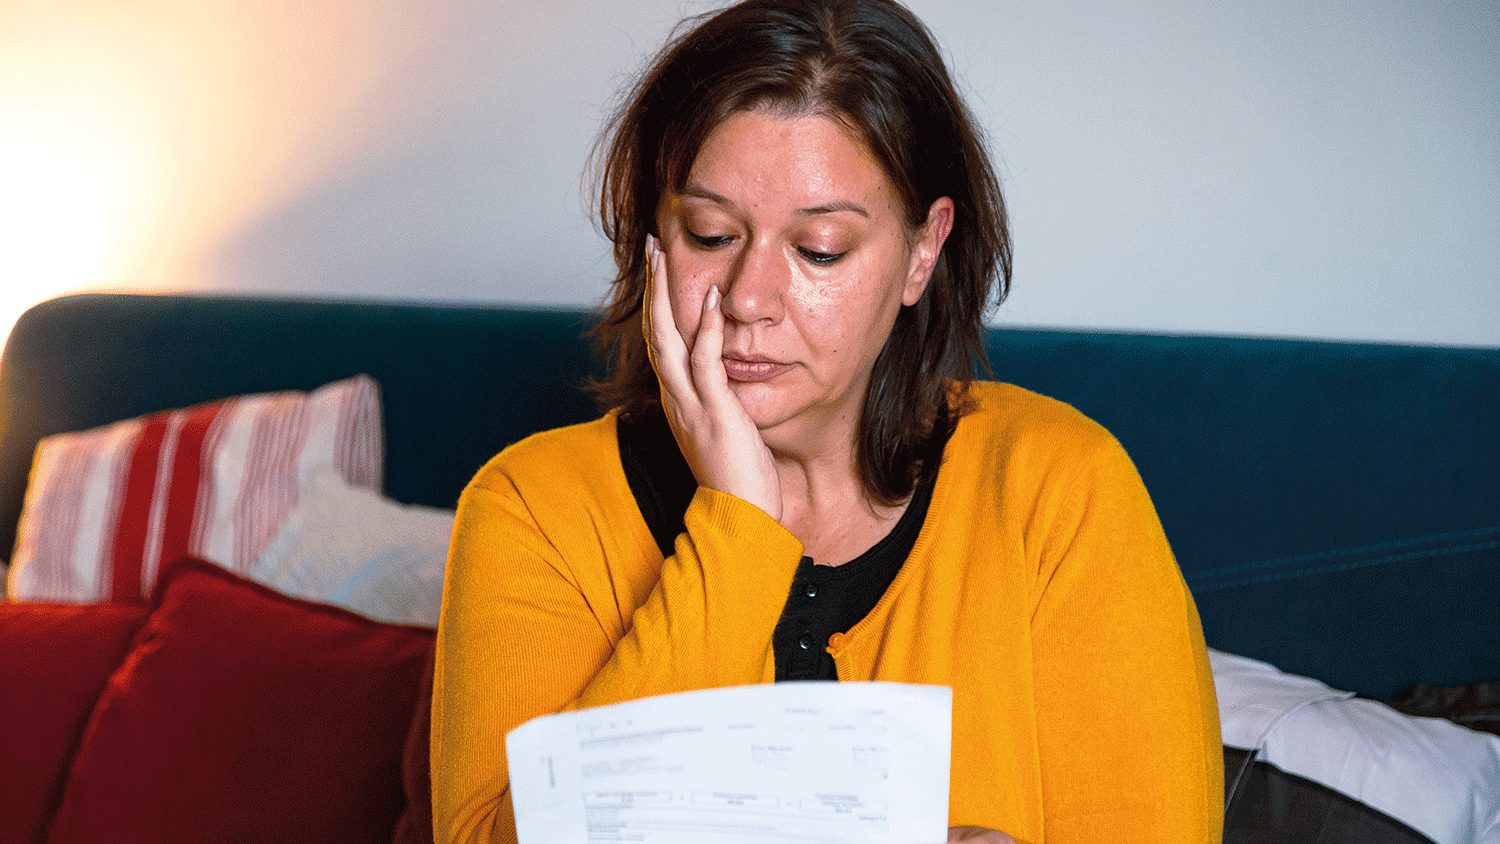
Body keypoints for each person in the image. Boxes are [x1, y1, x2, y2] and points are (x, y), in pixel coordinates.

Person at [431, 0, 1223, 841]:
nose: (748, 300)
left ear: (923, 251)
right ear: (651, 235)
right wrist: (736, 527)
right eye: (709, 234)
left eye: (820, 250)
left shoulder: (1059, 492)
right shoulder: (531, 509)